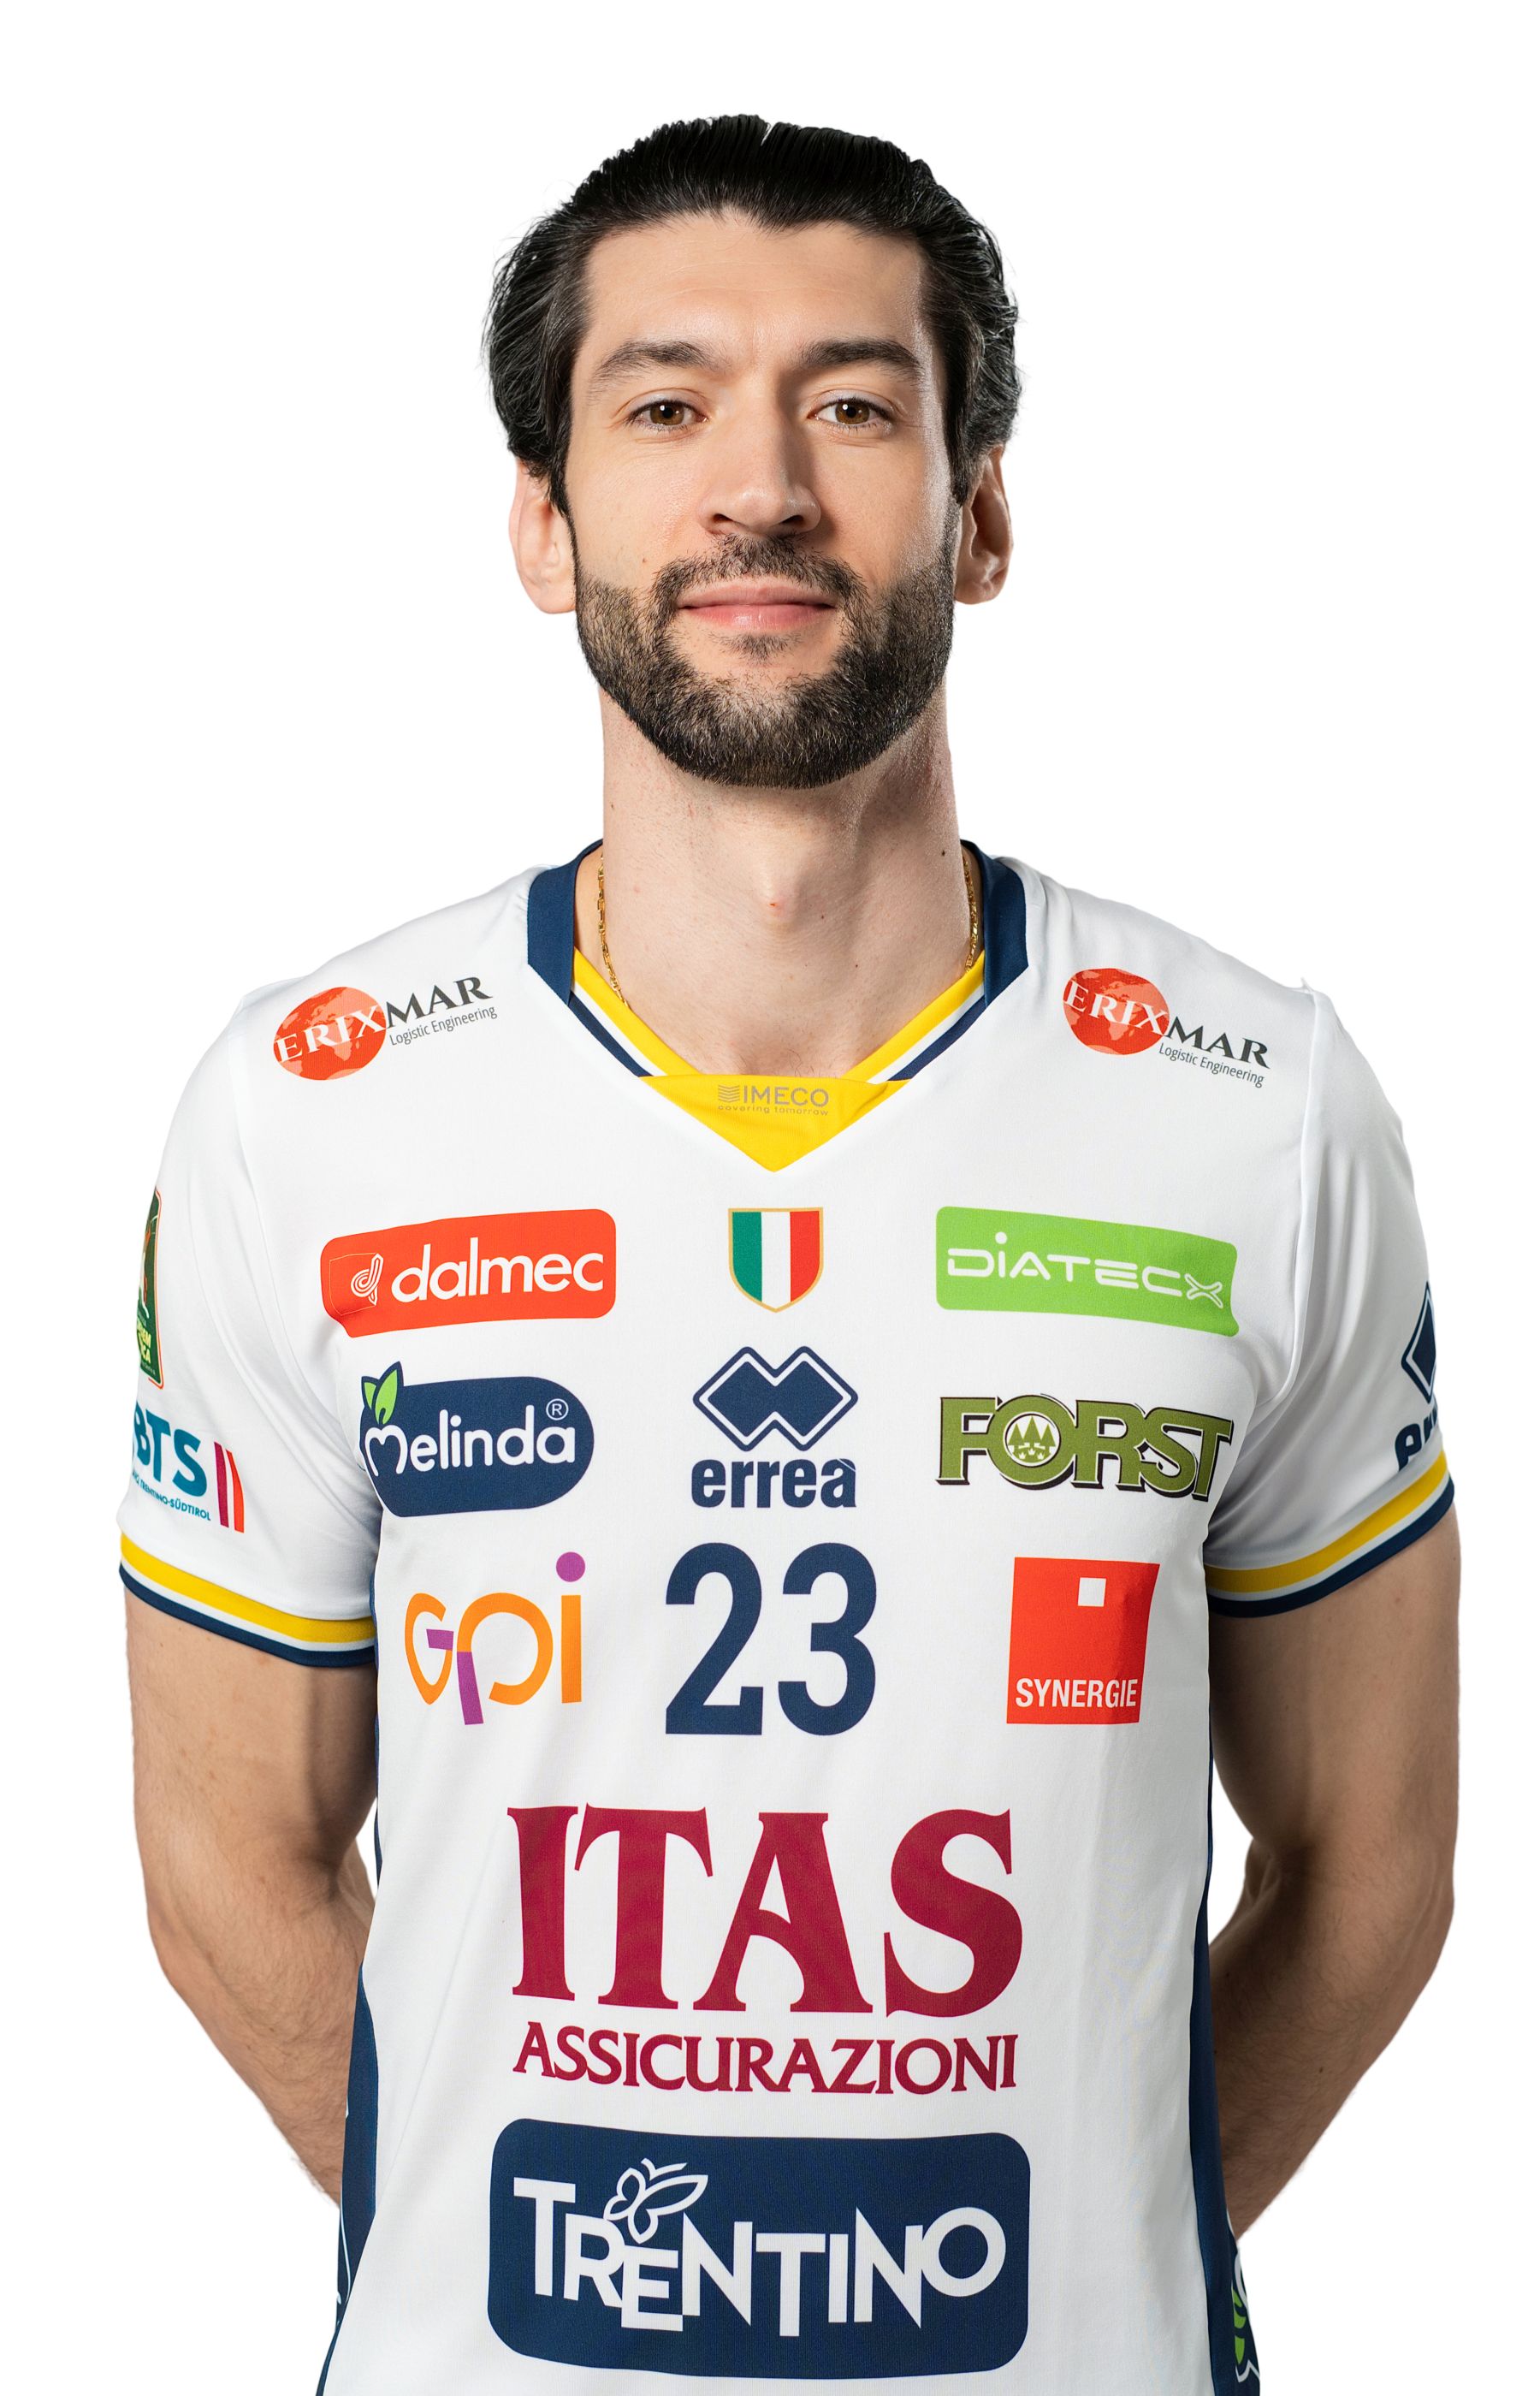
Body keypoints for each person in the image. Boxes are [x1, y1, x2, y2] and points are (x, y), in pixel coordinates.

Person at [119, 115, 1458, 2396]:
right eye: (664, 407)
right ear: (545, 522)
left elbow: (1372, 1870)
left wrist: (1080, 2264)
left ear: (981, 508)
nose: (760, 486)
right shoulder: (306, 1113)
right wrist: (515, 2265)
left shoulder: (1260, 1106)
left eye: (852, 402)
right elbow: (226, 1859)